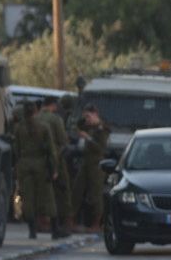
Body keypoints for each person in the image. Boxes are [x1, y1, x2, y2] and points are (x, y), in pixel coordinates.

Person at [13, 102, 59, 239]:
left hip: (24, 164)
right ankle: (55, 230)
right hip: (41, 165)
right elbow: (51, 150)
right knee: (48, 197)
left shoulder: (19, 128)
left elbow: (16, 149)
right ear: (35, 111)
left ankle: (32, 231)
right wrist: (54, 168)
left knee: (28, 198)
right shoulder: (44, 127)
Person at [36, 97, 72, 237]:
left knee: (41, 191)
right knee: (62, 191)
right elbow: (63, 140)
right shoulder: (55, 119)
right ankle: (63, 223)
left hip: (38, 159)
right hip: (55, 158)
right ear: (53, 105)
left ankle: (41, 222)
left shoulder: (35, 118)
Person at [70, 103, 110, 232]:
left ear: (95, 115)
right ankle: (71, 220)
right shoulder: (89, 126)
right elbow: (76, 126)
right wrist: (82, 121)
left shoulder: (102, 129)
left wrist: (87, 138)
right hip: (86, 163)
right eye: (85, 117)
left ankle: (97, 223)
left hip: (97, 164)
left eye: (88, 116)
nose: (87, 119)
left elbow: (100, 148)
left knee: (96, 194)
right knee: (77, 190)